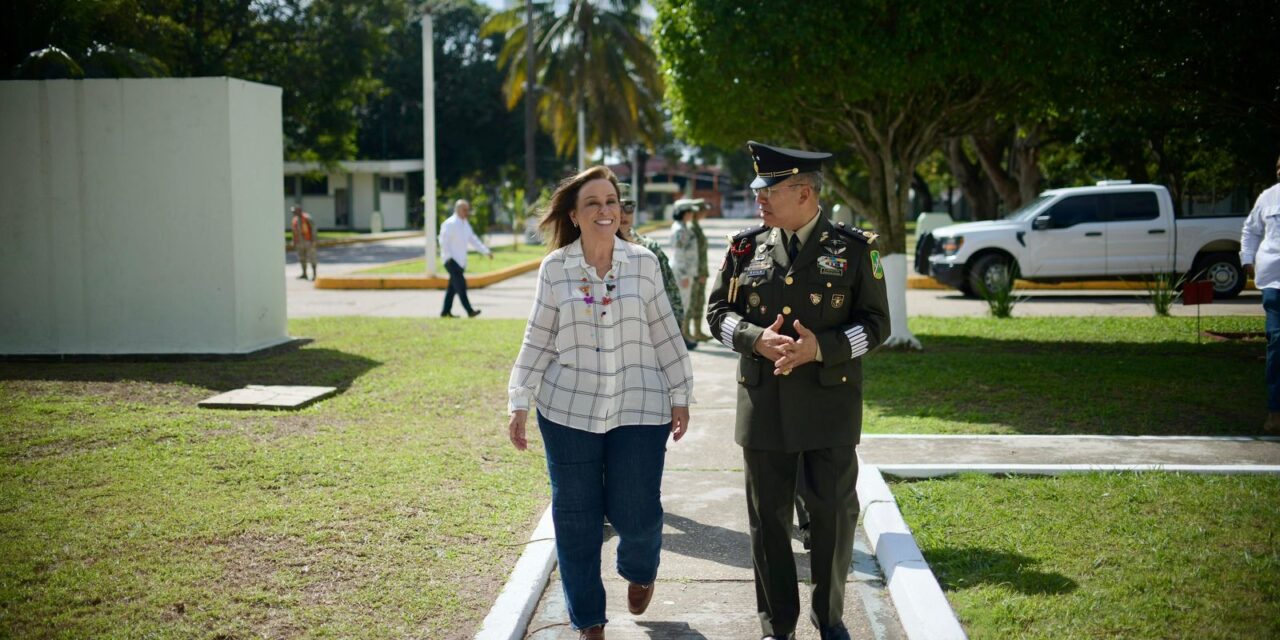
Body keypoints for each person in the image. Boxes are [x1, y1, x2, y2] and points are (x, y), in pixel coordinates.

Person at [706, 141, 890, 640]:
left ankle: (829, 618)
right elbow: (716, 316)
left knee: (831, 519)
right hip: (764, 406)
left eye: (770, 190)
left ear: (804, 192)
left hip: (829, 407)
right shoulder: (745, 247)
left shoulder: (854, 249)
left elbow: (876, 326)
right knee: (768, 524)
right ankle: (777, 625)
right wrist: (754, 339)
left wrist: (821, 349)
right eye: (759, 190)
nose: (759, 199)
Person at [507, 166, 694, 639]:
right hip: (568, 409)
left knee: (637, 512)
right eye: (593, 203)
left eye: (611, 201)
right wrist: (519, 401)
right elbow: (538, 336)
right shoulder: (556, 268)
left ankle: (640, 568)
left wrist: (681, 394)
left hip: (639, 405)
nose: (605, 210)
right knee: (575, 519)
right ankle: (588, 619)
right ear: (574, 214)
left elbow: (665, 332)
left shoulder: (644, 263)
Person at [619, 186, 690, 349]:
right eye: (617, 206)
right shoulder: (599, 250)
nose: (624, 214)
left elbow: (671, 291)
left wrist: (675, 330)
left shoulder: (650, 248)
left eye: (629, 207)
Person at [1240, 153, 1280, 433]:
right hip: (1275, 282)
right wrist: (1247, 259)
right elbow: (1251, 230)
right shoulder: (1268, 197)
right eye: (1278, 165)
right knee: (1277, 342)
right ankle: (1275, 411)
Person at [438, 199, 492, 318]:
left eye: (468, 209)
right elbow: (443, 242)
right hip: (451, 261)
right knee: (461, 285)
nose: (467, 212)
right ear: (458, 209)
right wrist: (448, 258)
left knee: (452, 288)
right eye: (465, 209)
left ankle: (445, 312)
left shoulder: (465, 224)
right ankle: (469, 311)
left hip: (460, 262)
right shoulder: (450, 223)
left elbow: (473, 240)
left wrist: (486, 251)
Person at [669, 201, 701, 345]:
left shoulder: (682, 228)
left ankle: (681, 336)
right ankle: (679, 338)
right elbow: (679, 254)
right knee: (680, 305)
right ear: (683, 212)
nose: (691, 214)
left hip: (686, 271)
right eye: (689, 211)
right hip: (682, 272)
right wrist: (683, 275)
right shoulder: (680, 230)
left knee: (683, 305)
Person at [688, 199, 714, 341]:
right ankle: (687, 332)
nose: (705, 213)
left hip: (700, 272)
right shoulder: (692, 228)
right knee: (692, 303)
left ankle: (697, 331)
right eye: (703, 211)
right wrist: (699, 273)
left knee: (699, 302)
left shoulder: (696, 227)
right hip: (696, 273)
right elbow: (694, 254)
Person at [291, 205, 318, 280]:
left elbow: (313, 229)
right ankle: (304, 274)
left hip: (308, 241)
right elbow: (294, 231)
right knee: (302, 258)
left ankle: (314, 274)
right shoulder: (295, 220)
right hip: (300, 242)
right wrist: (294, 241)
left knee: (312, 258)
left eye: (294, 211)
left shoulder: (307, 217)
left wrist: (314, 240)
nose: (293, 213)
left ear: (299, 210)